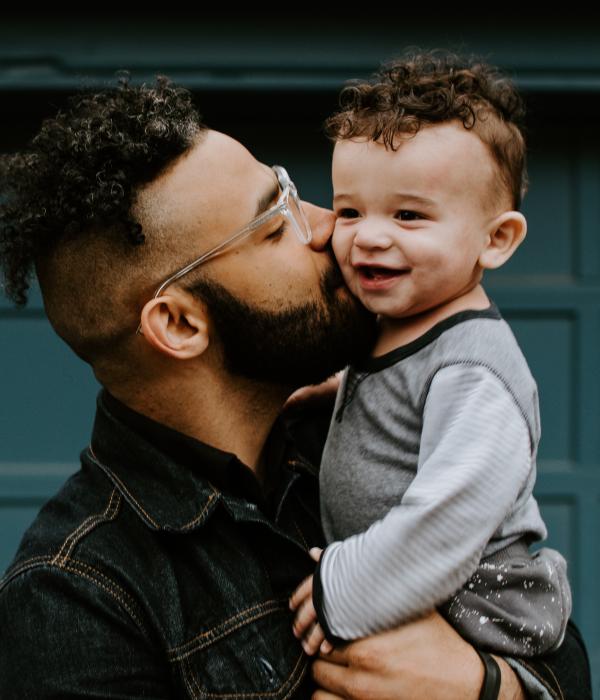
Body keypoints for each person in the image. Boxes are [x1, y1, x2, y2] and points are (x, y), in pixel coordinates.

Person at [0, 73, 591, 699]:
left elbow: (555, 644)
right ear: (179, 323)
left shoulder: (364, 431)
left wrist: (486, 687)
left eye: (291, 193)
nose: (330, 226)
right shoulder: (79, 595)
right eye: (275, 226)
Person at [290, 50, 573, 660]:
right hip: (418, 592)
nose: (369, 234)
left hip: (479, 604)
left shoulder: (474, 371)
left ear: (496, 240)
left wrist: (345, 587)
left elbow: (450, 514)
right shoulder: (399, 324)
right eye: (349, 211)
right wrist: (341, 389)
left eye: (408, 215)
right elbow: (404, 394)